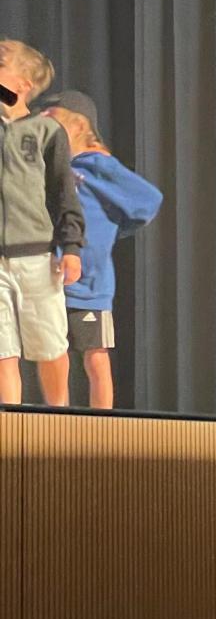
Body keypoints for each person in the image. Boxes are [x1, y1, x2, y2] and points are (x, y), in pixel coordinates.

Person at [41, 91, 163, 409]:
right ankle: (56, 418)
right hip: (52, 278)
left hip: (91, 283)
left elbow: (148, 199)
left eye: (52, 120)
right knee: (54, 352)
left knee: (96, 355)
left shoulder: (98, 166)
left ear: (78, 125)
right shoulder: (52, 169)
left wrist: (112, 229)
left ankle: (102, 423)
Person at [0, 39, 84, 406]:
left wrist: (72, 247)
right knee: (3, 352)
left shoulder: (47, 131)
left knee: (50, 347)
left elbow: (63, 193)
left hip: (36, 256)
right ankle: (9, 425)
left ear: (21, 84)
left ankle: (57, 420)